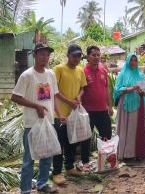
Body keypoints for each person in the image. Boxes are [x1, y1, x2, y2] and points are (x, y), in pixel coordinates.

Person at [11, 44, 59, 194]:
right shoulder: (27, 75)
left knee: (47, 155)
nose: (45, 57)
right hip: (32, 123)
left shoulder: (51, 74)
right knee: (29, 159)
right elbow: (15, 97)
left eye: (47, 55)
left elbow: (54, 96)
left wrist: (57, 113)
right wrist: (36, 106)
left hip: (48, 121)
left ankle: (42, 184)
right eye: (42, 54)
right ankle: (25, 190)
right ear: (35, 55)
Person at [52, 44, 87, 185]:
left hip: (74, 115)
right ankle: (57, 172)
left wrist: (79, 96)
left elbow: (83, 88)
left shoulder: (80, 70)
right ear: (68, 55)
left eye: (79, 56)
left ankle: (70, 167)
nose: (76, 59)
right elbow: (54, 91)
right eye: (74, 56)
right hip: (59, 114)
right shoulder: (59, 69)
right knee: (59, 145)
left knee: (72, 141)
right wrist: (69, 102)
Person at [80, 46, 114, 171]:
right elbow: (81, 90)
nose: (96, 57)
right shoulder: (83, 72)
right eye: (93, 55)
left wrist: (110, 106)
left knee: (107, 135)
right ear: (88, 57)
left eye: (98, 55)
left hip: (102, 110)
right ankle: (85, 162)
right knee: (86, 137)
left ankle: (107, 159)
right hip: (87, 110)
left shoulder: (103, 70)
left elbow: (107, 89)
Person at [114, 53, 145, 161]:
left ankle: (136, 153)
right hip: (125, 104)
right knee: (124, 128)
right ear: (128, 61)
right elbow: (117, 90)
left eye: (135, 60)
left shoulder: (141, 75)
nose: (133, 62)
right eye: (131, 60)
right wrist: (132, 88)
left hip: (138, 104)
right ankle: (125, 154)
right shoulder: (122, 74)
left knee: (134, 129)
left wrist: (142, 92)